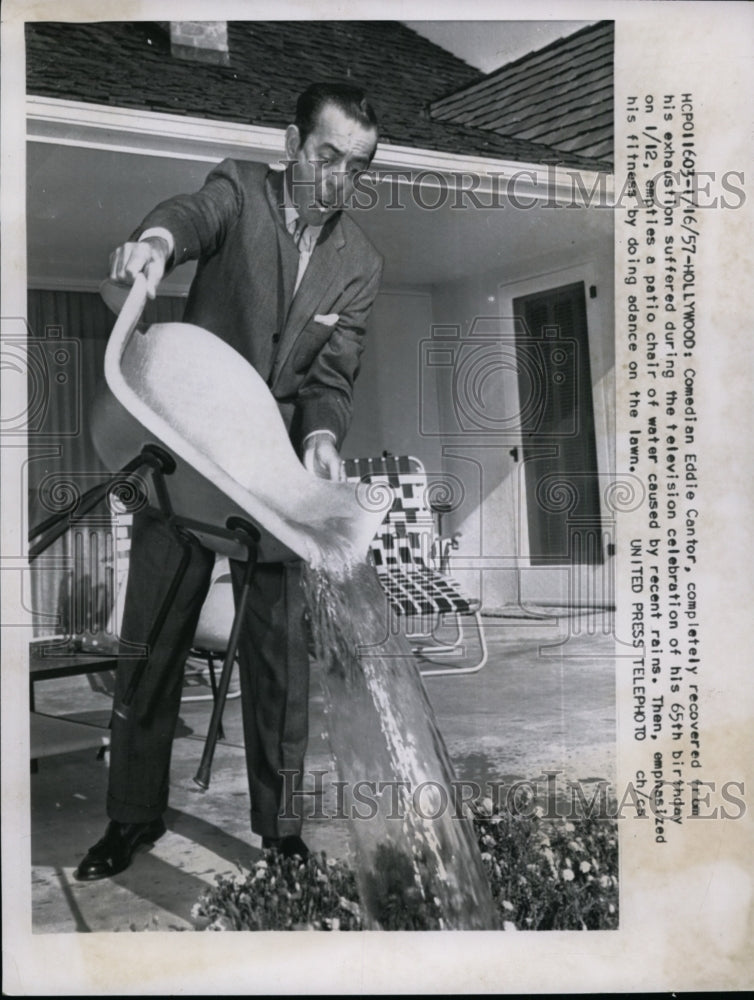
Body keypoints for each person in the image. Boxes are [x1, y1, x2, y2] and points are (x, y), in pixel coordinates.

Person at [74, 82, 383, 880]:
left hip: (267, 484)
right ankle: (131, 818)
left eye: (355, 167)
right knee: (150, 648)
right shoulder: (240, 191)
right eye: (326, 156)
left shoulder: (360, 263)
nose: (337, 180)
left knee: (281, 666)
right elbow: (190, 216)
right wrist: (154, 243)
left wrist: (320, 437)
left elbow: (332, 379)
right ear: (291, 145)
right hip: (185, 459)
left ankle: (281, 834)